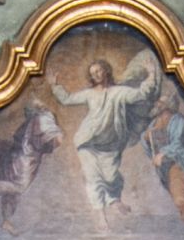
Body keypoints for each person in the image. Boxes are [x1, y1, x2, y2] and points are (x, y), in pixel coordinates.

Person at [53, 51, 163, 209]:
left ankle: (114, 200)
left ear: (106, 70)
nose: (96, 75)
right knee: (93, 177)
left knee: (111, 177)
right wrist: (55, 86)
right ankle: (100, 216)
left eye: (98, 71)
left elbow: (141, 94)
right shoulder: (90, 94)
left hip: (111, 142)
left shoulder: (119, 92)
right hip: (87, 141)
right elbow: (67, 99)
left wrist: (151, 74)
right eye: (93, 73)